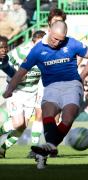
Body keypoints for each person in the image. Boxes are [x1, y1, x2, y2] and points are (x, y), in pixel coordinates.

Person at [3, 20, 88, 169]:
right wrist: (9, 89)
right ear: (49, 30)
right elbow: (22, 71)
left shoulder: (72, 43)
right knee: (47, 112)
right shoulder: (37, 50)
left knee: (69, 115)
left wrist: (82, 76)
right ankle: (47, 149)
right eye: (54, 38)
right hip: (51, 87)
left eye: (61, 40)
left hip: (72, 85)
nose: (57, 43)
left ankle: (46, 148)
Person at [27, 8, 67, 159]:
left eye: (60, 21)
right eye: (55, 20)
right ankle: (36, 147)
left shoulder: (66, 39)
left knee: (55, 115)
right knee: (39, 113)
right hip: (44, 82)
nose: (57, 23)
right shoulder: (43, 39)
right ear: (49, 22)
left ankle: (51, 146)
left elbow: (78, 54)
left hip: (61, 82)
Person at [0, 30, 46, 158]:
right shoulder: (20, 52)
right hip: (16, 92)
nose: (39, 46)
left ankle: (2, 150)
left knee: (22, 127)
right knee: (18, 123)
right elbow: (6, 63)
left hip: (31, 94)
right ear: (32, 42)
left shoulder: (46, 56)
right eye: (37, 44)